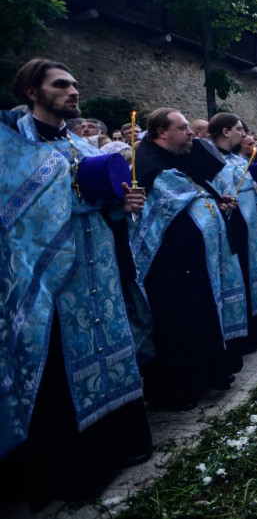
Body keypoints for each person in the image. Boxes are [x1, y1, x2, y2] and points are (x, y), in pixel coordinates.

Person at [0, 59, 151, 506]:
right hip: (47, 279)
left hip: (97, 271)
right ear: (32, 91)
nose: (73, 91)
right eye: (61, 85)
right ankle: (67, 473)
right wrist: (77, 198)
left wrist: (127, 202)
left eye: (75, 85)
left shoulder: (85, 150)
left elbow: (108, 201)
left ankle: (114, 452)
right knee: (59, 365)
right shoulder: (11, 150)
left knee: (105, 351)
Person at [133, 108, 247, 409]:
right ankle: (173, 392)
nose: (191, 134)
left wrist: (215, 199)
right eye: (183, 128)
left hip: (191, 263)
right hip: (167, 264)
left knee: (196, 320)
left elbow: (196, 188)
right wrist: (208, 199)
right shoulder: (149, 163)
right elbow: (173, 199)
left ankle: (201, 379)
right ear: (162, 132)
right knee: (174, 327)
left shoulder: (175, 157)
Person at [208, 113, 257, 351]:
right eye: (240, 129)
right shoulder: (211, 159)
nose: (245, 134)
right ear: (226, 131)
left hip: (255, 227)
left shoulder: (239, 159)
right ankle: (246, 336)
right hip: (236, 227)